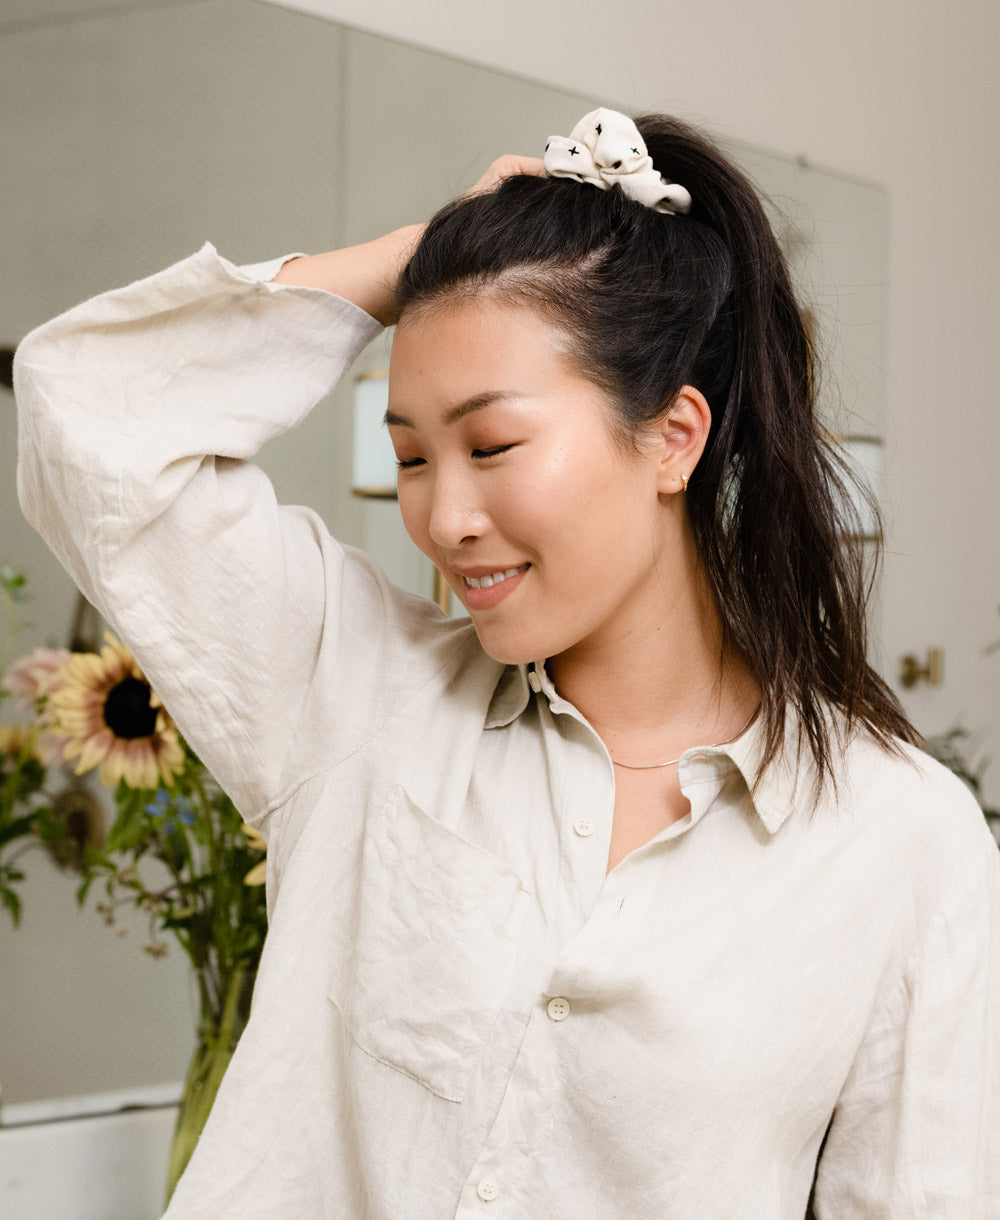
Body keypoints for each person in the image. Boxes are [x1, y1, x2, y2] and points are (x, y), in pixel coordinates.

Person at [14, 109, 999, 1218]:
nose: (442, 514)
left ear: (672, 436)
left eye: (490, 446)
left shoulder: (898, 837)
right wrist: (425, 260)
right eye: (410, 457)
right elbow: (86, 414)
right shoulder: (350, 690)